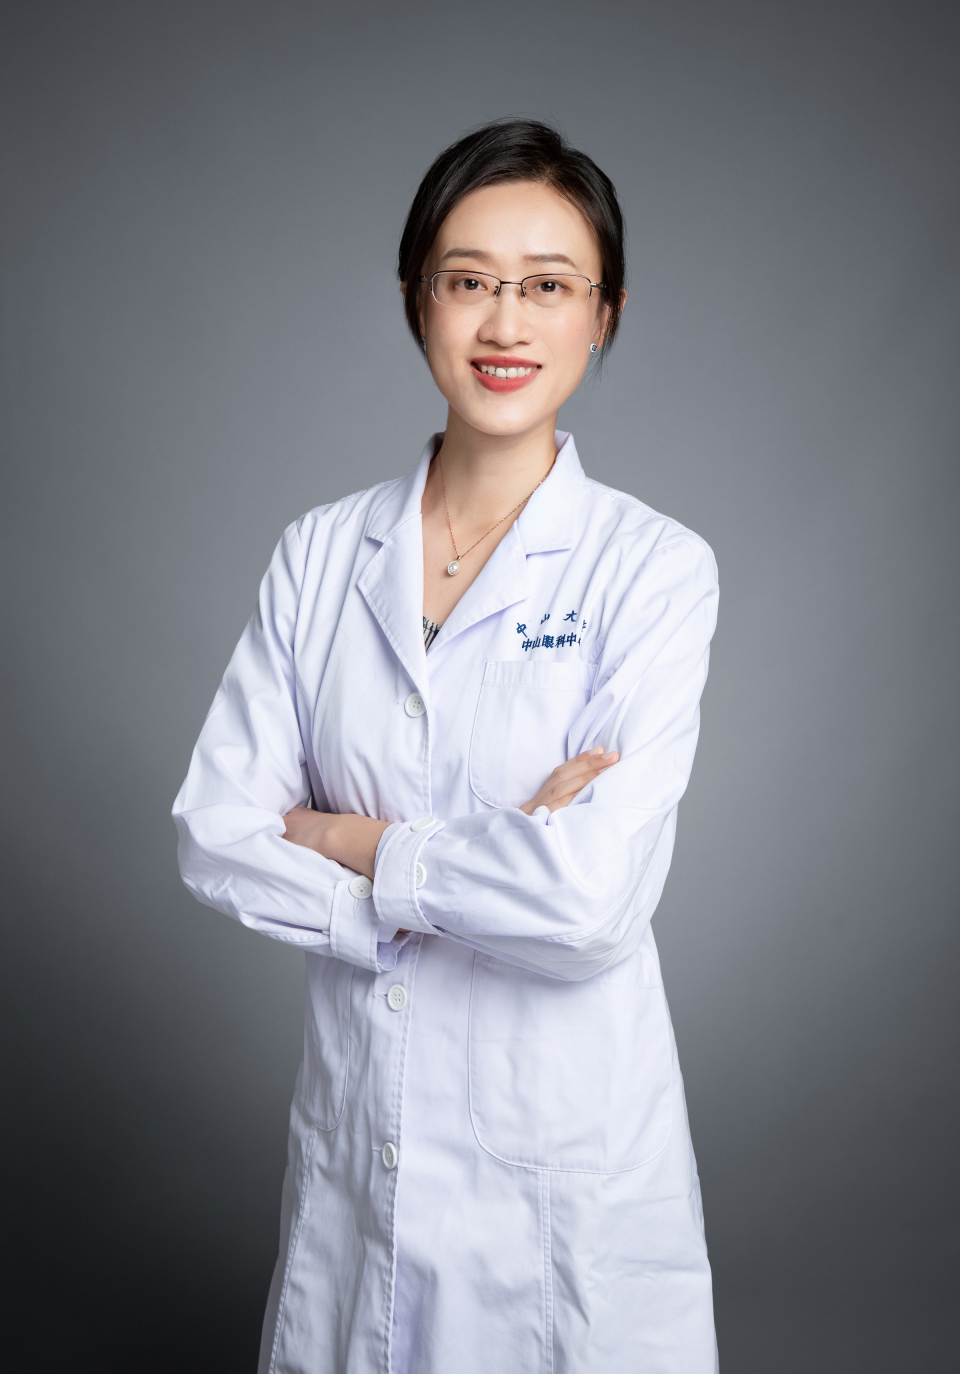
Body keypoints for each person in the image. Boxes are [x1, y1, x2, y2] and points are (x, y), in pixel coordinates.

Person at [173, 119, 720, 1374]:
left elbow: (589, 903)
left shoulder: (652, 568)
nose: (504, 323)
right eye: (469, 280)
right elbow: (216, 834)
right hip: (360, 1137)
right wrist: (475, 872)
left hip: (562, 1159)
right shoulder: (322, 554)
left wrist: (352, 842)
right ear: (418, 297)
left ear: (605, 314)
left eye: (549, 286)